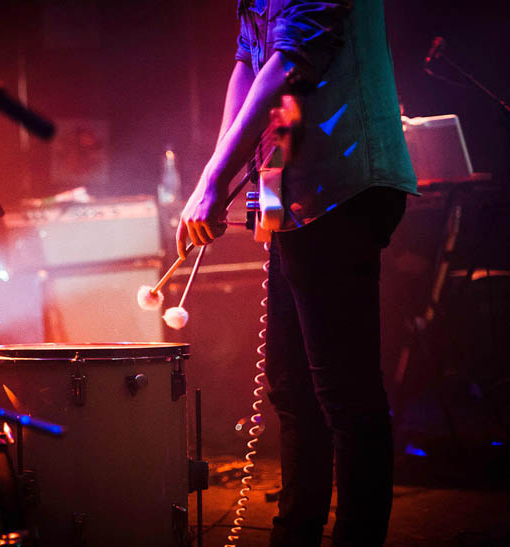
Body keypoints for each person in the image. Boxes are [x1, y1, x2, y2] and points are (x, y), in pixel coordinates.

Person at [176, 1, 418, 545]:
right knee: (293, 389)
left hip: (343, 185)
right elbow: (248, 59)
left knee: (343, 394)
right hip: (299, 191)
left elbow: (290, 60)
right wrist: (220, 171)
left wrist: (215, 180)